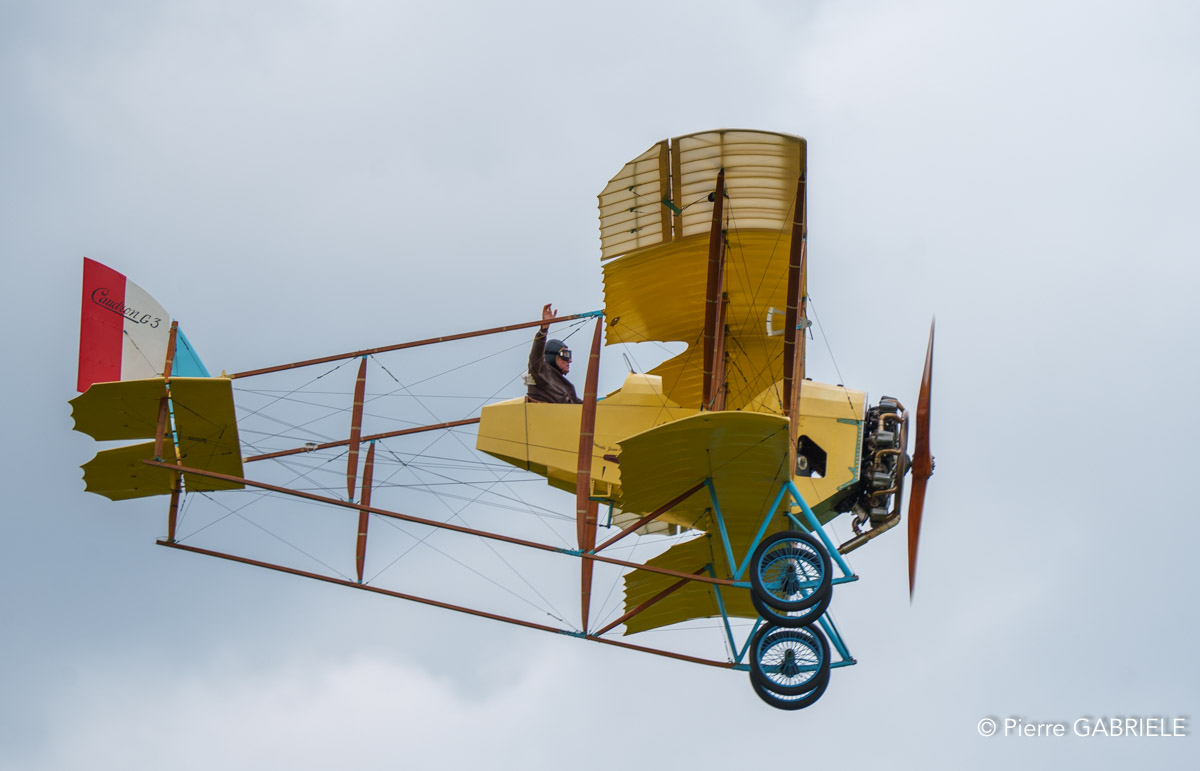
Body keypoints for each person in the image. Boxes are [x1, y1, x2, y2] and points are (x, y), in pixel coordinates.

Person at [526, 304, 582, 404]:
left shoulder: (568, 387)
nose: (570, 360)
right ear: (552, 356)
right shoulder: (541, 373)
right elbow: (535, 358)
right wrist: (543, 330)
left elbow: (584, 407)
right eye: (565, 355)